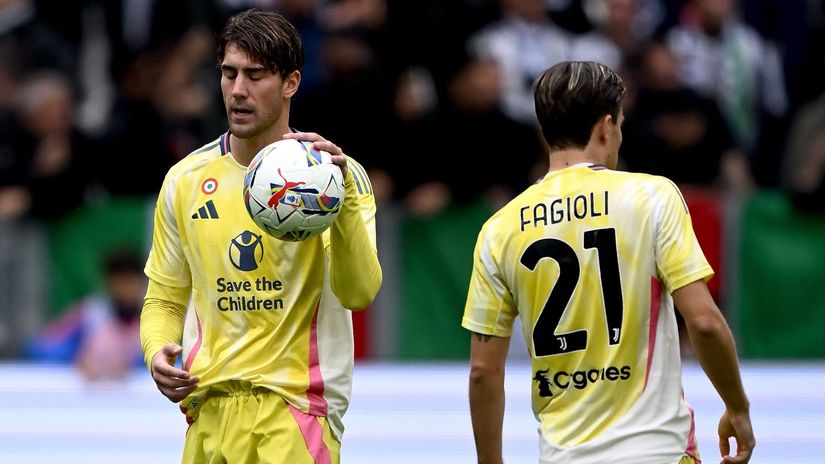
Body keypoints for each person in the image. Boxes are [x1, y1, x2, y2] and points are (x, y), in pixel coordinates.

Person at [461, 61, 754, 463]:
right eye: (620, 123)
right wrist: (737, 405)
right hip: (658, 451)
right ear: (605, 126)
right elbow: (703, 323)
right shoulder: (652, 197)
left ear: (544, 131)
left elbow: (483, 372)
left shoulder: (500, 228)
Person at [139, 9, 381, 464]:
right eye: (229, 74)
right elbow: (165, 299)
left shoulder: (330, 179)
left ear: (290, 83)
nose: (238, 90)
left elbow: (359, 292)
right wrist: (156, 353)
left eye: (255, 76)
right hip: (207, 412)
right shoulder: (185, 179)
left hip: (294, 411)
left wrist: (343, 199)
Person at [25, 249, 145, 380]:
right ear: (107, 282)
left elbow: (166, 360)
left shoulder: (153, 318)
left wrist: (132, 364)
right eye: (118, 281)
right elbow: (41, 348)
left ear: (140, 282)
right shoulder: (89, 314)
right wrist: (76, 358)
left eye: (129, 281)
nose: (123, 289)